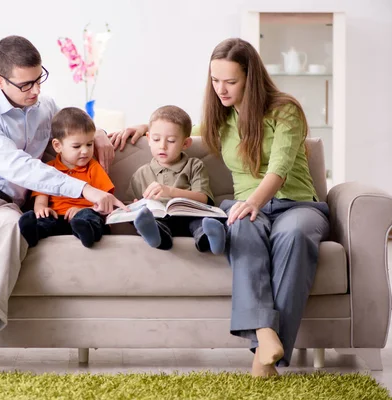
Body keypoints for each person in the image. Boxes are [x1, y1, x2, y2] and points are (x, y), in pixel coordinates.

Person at [109, 38, 330, 378]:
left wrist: (254, 201)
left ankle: (263, 354)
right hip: (245, 205)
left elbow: (279, 168)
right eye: (215, 80)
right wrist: (143, 127)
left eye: (230, 81)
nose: (221, 89)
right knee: (241, 230)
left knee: (295, 236)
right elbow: (182, 131)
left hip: (297, 204)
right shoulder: (221, 119)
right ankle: (265, 336)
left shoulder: (285, 110)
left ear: (250, 78)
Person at [0, 36, 125, 378]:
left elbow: (66, 139)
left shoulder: (46, 108)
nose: (35, 90)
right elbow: (16, 165)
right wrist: (84, 189)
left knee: (12, 232)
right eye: (25, 83)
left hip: (2, 204)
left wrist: (100, 132)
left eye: (39, 78)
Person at [125, 105, 224, 253]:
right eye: (156, 139)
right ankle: (156, 236)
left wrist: (169, 191)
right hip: (160, 219)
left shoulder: (194, 165)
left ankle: (211, 239)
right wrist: (135, 207)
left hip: (189, 216)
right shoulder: (141, 173)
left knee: (201, 222)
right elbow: (129, 205)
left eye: (171, 141)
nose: (162, 146)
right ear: (149, 139)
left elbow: (203, 198)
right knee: (152, 221)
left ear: (185, 144)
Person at [19, 107, 115, 248]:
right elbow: (40, 200)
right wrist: (42, 209)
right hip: (57, 217)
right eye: (77, 146)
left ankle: (87, 231)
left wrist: (83, 210)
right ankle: (33, 232)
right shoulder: (48, 170)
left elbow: (105, 201)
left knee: (90, 217)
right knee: (44, 219)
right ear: (57, 146)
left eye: (89, 144)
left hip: (84, 215)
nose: (85, 151)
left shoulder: (93, 168)